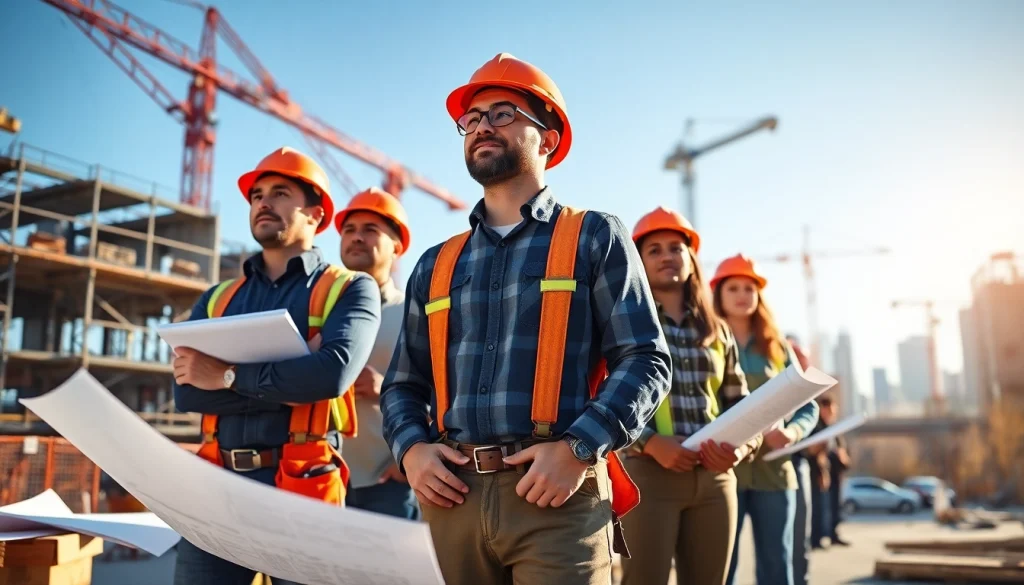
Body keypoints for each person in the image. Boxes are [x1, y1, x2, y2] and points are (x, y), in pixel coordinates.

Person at [380, 53, 672, 585]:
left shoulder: (593, 236)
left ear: (549, 139)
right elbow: (403, 382)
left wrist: (579, 448)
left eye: (502, 114)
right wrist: (412, 450)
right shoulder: (435, 264)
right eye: (472, 119)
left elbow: (645, 359)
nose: (481, 127)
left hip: (557, 496)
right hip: (452, 499)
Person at [172, 147, 381, 585]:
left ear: (316, 215)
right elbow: (187, 392)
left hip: (304, 489)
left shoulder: (349, 288)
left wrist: (224, 375)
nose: (263, 202)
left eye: (280, 193)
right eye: (257, 195)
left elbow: (331, 376)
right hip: (217, 489)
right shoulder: (217, 298)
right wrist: (295, 376)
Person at [618, 207, 761, 585]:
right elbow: (604, 397)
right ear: (639, 261)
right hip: (648, 477)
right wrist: (650, 443)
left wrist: (741, 448)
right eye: (654, 250)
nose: (666, 256)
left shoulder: (718, 330)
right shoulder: (624, 322)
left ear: (691, 258)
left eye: (675, 248)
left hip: (715, 479)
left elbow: (743, 406)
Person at [713, 255, 820, 585]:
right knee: (722, 568)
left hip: (774, 473)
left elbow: (808, 407)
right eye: (733, 288)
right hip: (722, 471)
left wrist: (792, 433)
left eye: (749, 288)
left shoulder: (778, 348)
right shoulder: (707, 343)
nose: (742, 295)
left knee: (777, 566)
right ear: (718, 294)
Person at [334, 186, 420, 520]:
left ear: (397, 246)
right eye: (349, 230)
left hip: (388, 484)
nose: (357, 237)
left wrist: (384, 387)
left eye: (370, 229)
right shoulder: (321, 311)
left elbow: (448, 398)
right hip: (321, 477)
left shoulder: (415, 314)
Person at [784, 333, 814, 585]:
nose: (799, 363)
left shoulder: (809, 395)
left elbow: (810, 413)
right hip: (767, 464)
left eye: (803, 358)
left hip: (798, 463)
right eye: (794, 356)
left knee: (800, 534)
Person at [806, 395, 835, 549]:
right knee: (815, 509)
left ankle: (818, 538)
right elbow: (815, 453)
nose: (831, 413)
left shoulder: (826, 426)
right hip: (813, 473)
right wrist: (823, 474)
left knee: (821, 508)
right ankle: (814, 540)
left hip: (818, 472)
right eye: (828, 410)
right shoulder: (816, 426)